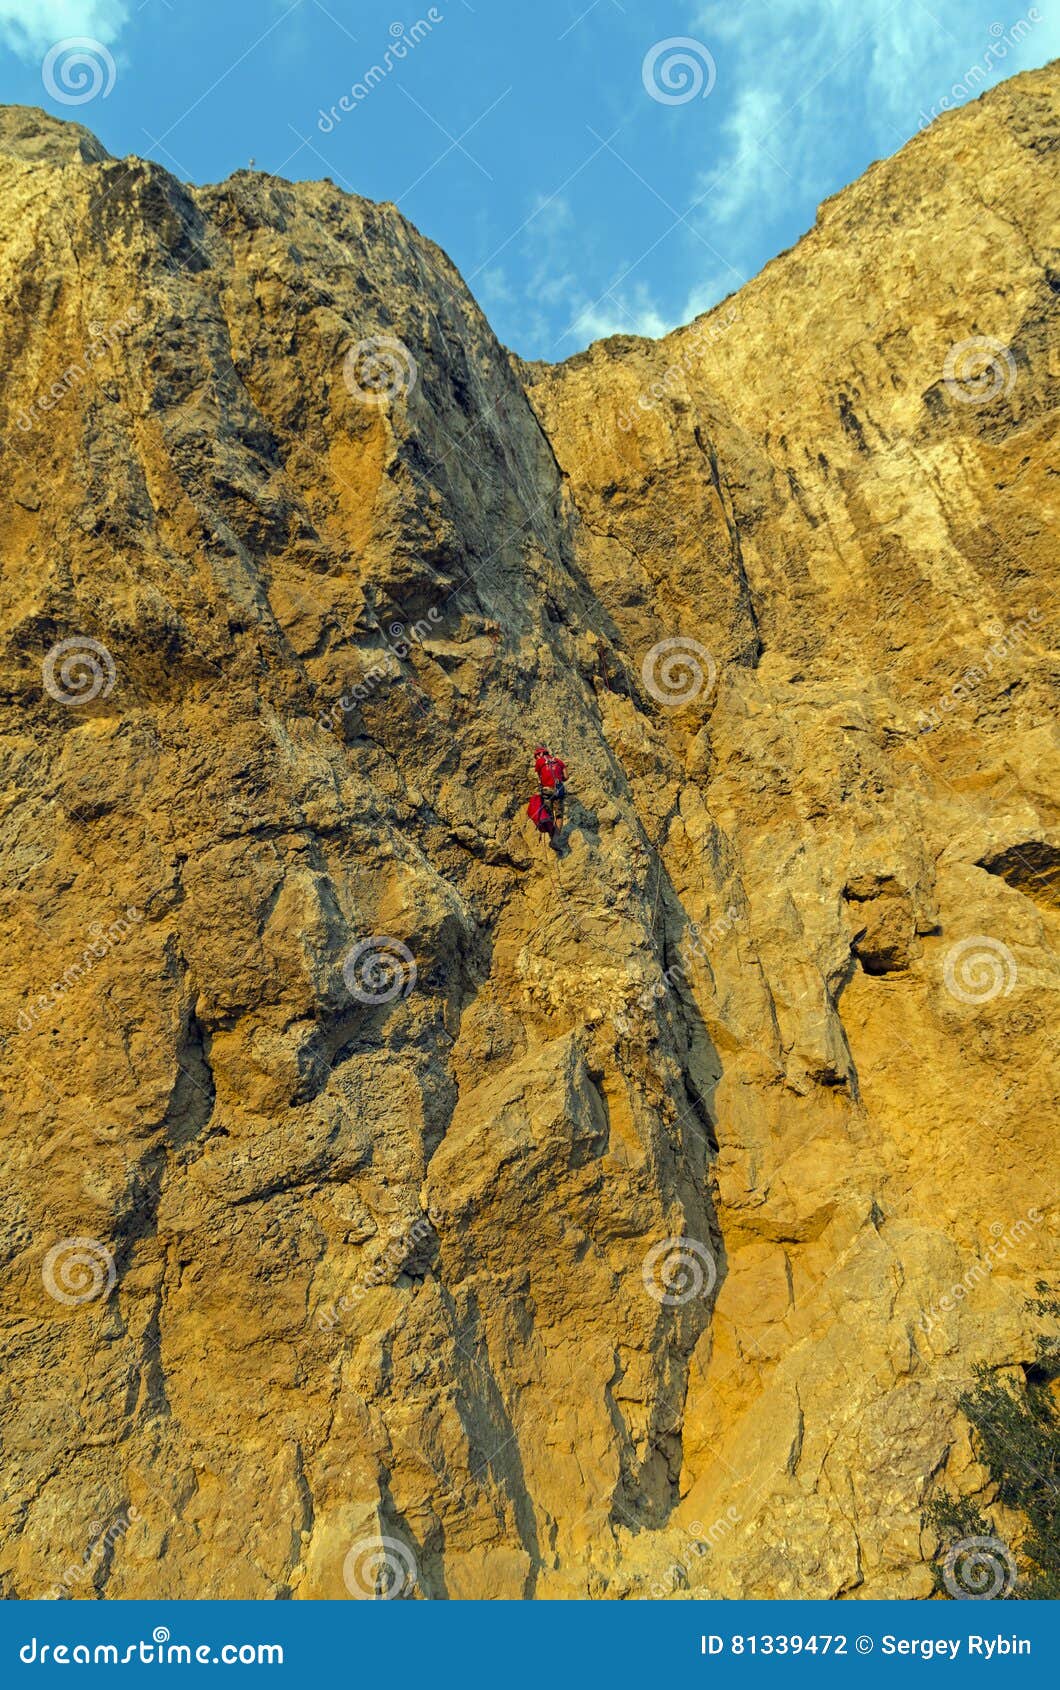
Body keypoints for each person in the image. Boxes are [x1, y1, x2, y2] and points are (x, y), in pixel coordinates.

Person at [534, 744, 567, 829]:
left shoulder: (539, 761)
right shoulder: (558, 761)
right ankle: (556, 837)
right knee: (559, 815)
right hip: (559, 790)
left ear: (540, 754)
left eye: (536, 756)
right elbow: (566, 777)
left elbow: (539, 778)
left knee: (549, 815)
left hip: (547, 790)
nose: (536, 759)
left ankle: (551, 834)